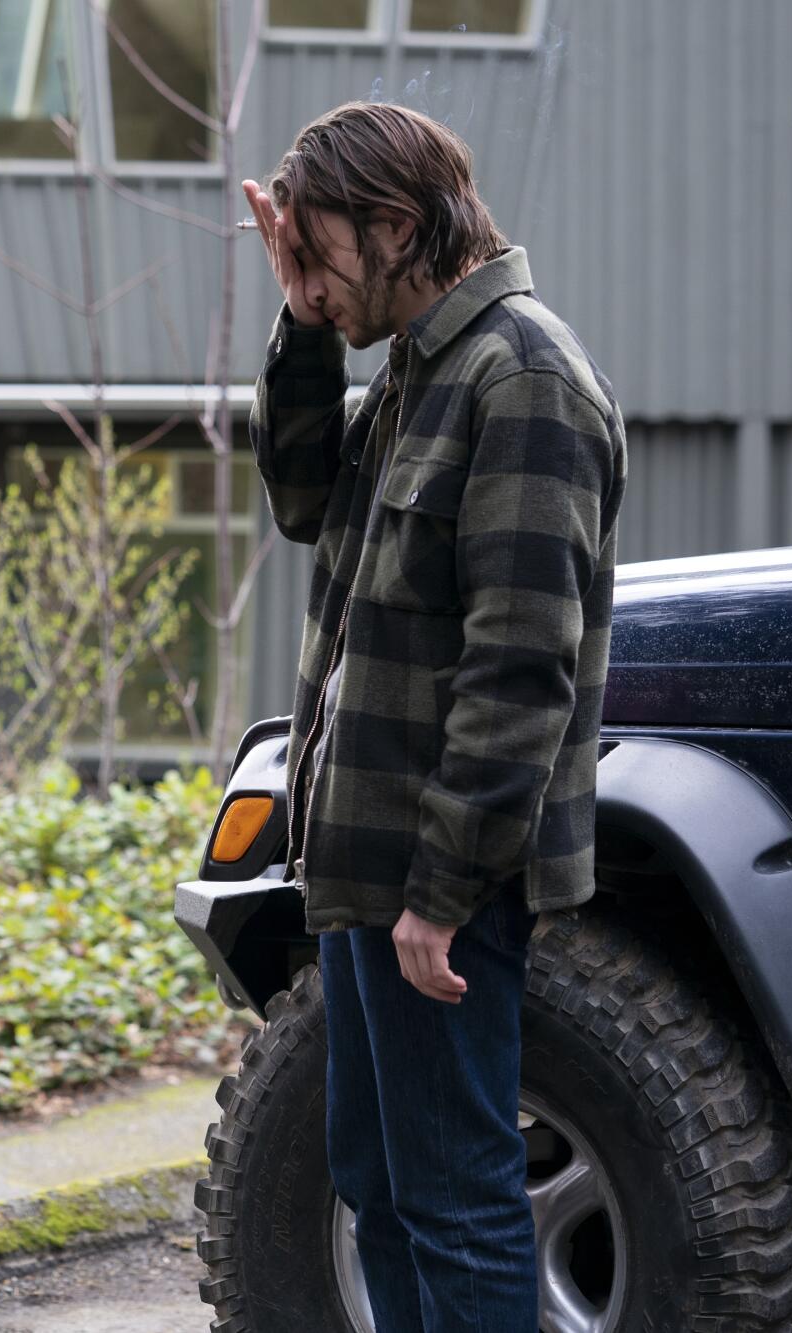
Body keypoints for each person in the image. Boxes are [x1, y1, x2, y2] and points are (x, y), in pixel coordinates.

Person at [242, 103, 626, 1329]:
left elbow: (520, 669)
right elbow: (302, 496)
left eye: (322, 254)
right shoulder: (421, 366)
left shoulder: (521, 379)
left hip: (436, 879)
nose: (311, 282)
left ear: (397, 225)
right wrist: (304, 325)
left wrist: (441, 892)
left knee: (454, 1197)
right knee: (381, 1185)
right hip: (366, 863)